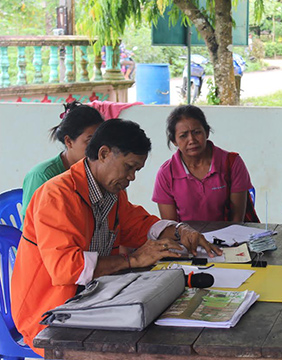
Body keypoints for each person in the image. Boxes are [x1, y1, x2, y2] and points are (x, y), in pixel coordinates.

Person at [12, 119, 222, 356]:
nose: (132, 177)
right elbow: (65, 268)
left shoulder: (111, 193)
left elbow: (139, 225)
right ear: (103, 154)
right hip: (51, 314)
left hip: (96, 300)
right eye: (129, 167)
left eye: (136, 170)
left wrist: (181, 231)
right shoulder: (56, 195)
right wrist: (132, 261)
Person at [152, 105, 254, 222]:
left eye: (197, 132)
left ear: (207, 132)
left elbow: (237, 219)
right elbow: (171, 225)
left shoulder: (232, 163)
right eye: (183, 136)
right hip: (185, 239)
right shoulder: (166, 174)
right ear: (174, 141)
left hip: (229, 237)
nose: (192, 140)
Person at [21, 101, 104, 219]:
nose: (99, 148)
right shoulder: (42, 176)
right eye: (90, 141)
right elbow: (33, 226)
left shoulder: (103, 174)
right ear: (69, 142)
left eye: (102, 140)